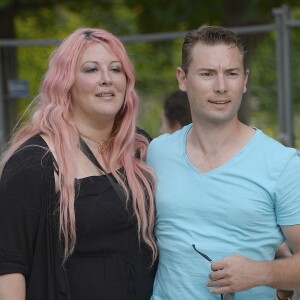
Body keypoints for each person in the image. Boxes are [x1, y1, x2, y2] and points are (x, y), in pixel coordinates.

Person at [0, 28, 157, 300]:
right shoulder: (33, 163)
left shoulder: (140, 149)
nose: (106, 79)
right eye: (91, 69)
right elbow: (9, 266)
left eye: (116, 69)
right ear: (66, 82)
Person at [147, 25, 300, 299]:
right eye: (207, 74)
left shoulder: (283, 164)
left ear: (244, 80)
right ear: (182, 79)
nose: (221, 87)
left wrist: (262, 273)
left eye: (231, 74)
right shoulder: (157, 153)